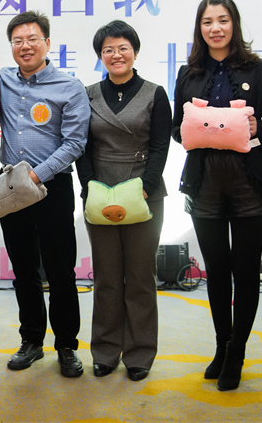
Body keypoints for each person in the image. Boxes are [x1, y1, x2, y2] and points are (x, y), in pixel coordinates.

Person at [171, 0, 262, 391]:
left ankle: (238, 352)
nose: (215, 28)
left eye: (222, 20)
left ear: (234, 23)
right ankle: (221, 346)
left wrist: (256, 128)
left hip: (249, 179)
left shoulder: (260, 69)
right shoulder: (188, 73)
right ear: (199, 28)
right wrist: (196, 128)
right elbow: (175, 127)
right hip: (204, 181)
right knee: (216, 271)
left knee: (246, 270)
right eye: (207, 22)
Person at [75, 20, 171, 381]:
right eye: (108, 50)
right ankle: (104, 351)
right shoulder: (87, 94)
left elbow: (160, 145)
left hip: (144, 192)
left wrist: (146, 186)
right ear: (100, 56)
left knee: (141, 276)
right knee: (107, 276)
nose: (116, 55)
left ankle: (140, 353)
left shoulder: (155, 93)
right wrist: (89, 186)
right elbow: (81, 145)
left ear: (135, 51)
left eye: (123, 48)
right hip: (99, 191)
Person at [0, 11, 90, 378]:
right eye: (17, 41)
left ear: (47, 43)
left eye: (32, 39)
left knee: (60, 270)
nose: (25, 46)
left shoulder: (69, 87)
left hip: (52, 186)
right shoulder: (1, 79)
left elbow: (75, 143)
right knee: (23, 270)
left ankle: (66, 346)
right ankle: (31, 341)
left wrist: (36, 175)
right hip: (10, 187)